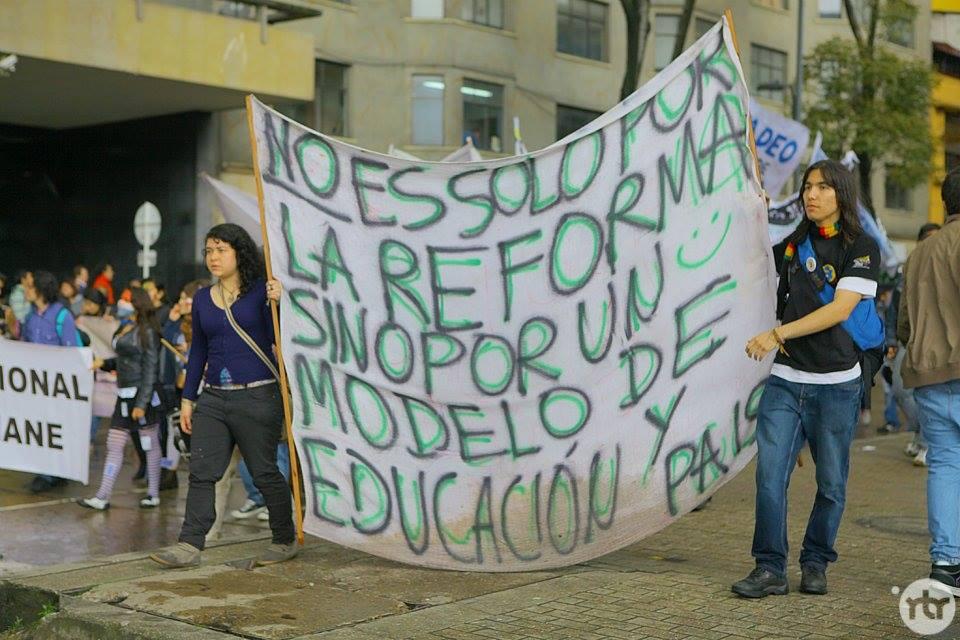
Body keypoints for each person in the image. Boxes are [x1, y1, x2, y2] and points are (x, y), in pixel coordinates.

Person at [733, 160, 882, 598]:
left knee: (831, 484)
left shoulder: (862, 247)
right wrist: (753, 213)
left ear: (841, 194)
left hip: (837, 385)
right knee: (769, 477)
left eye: (821, 187)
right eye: (806, 187)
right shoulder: (793, 246)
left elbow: (840, 309)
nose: (810, 195)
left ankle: (816, 561)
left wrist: (777, 333)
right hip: (784, 380)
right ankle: (769, 567)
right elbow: (751, 267)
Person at [150, 223, 295, 569]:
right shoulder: (202, 298)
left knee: (263, 471)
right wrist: (188, 398)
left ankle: (284, 536)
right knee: (202, 470)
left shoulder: (263, 291)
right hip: (213, 397)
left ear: (239, 253)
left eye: (221, 250)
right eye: (208, 251)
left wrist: (281, 304)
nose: (213, 257)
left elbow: (284, 337)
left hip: (258, 395)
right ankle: (189, 543)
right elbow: (198, 350)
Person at [898, 168, 960, 595]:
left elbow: (904, 323)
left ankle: (945, 563)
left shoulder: (921, 251)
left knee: (944, 464)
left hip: (928, 374)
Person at [79, 288, 163, 510]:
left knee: (149, 444)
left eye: (126, 300)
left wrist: (142, 404)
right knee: (114, 443)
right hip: (124, 395)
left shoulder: (148, 332)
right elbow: (124, 360)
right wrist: (105, 364)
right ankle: (103, 495)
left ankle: (153, 493)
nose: (121, 304)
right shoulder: (126, 327)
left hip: (141, 397)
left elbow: (150, 369)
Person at [17, 271, 82, 493]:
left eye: (29, 287)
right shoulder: (30, 316)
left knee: (54, 428)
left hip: (55, 387)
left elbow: (73, 353)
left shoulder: (62, 316)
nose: (25, 290)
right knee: (38, 428)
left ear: (40, 290)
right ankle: (49, 472)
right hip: (35, 385)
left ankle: (50, 474)